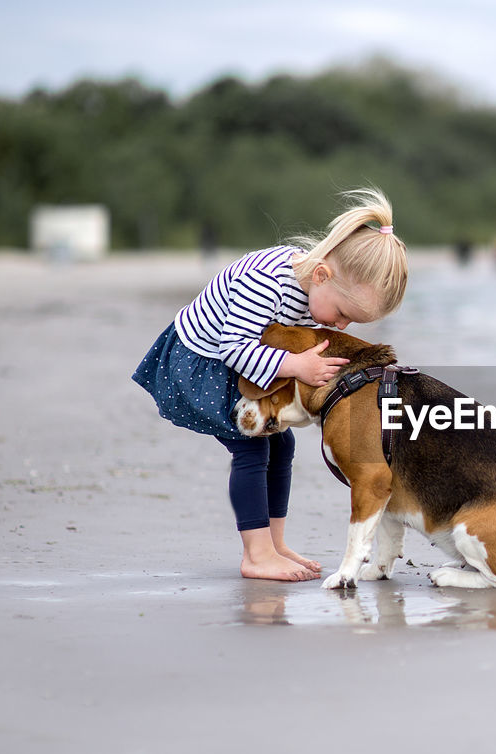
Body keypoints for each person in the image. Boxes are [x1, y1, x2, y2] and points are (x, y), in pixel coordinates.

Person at [131, 189, 408, 581]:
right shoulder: (267, 283)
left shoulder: (313, 287)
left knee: (283, 444)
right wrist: (295, 365)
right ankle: (256, 554)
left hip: (242, 362)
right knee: (251, 448)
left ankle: (274, 544)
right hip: (203, 363)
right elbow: (234, 346)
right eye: (343, 314)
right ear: (322, 275)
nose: (340, 326)